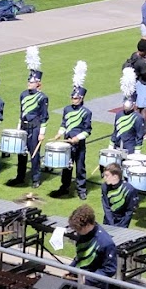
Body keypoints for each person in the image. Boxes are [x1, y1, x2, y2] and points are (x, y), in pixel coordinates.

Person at [57, 65, 92, 200]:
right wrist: (59, 133)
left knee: (80, 167)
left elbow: (88, 130)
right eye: (72, 98)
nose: (73, 100)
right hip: (67, 142)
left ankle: (81, 189)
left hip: (79, 143)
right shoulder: (67, 109)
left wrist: (78, 138)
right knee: (66, 166)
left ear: (81, 98)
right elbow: (64, 124)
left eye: (76, 98)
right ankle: (64, 186)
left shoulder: (86, 112)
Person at [17, 57, 49, 187]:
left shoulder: (42, 97)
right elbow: (21, 112)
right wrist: (18, 127)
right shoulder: (23, 94)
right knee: (21, 152)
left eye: (32, 81)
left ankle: (36, 178)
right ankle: (20, 176)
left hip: (35, 128)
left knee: (34, 154)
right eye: (28, 81)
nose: (29, 83)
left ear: (38, 83)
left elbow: (44, 116)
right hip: (24, 126)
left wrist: (42, 133)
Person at [67, 203, 118, 277]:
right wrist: (71, 269)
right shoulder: (82, 234)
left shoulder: (106, 243)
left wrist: (87, 279)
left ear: (87, 225)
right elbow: (81, 256)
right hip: (79, 276)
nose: (77, 232)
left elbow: (109, 269)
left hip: (93, 285)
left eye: (78, 229)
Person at [101, 162, 138, 228]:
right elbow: (106, 207)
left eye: (107, 175)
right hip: (108, 220)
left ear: (115, 177)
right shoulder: (104, 186)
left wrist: (122, 226)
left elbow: (129, 211)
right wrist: (111, 223)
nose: (104, 178)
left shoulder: (129, 190)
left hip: (122, 221)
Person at [111, 89, 145, 156]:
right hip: (117, 145)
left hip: (129, 147)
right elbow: (115, 131)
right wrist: (111, 144)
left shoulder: (138, 118)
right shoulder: (119, 114)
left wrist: (137, 150)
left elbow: (139, 135)